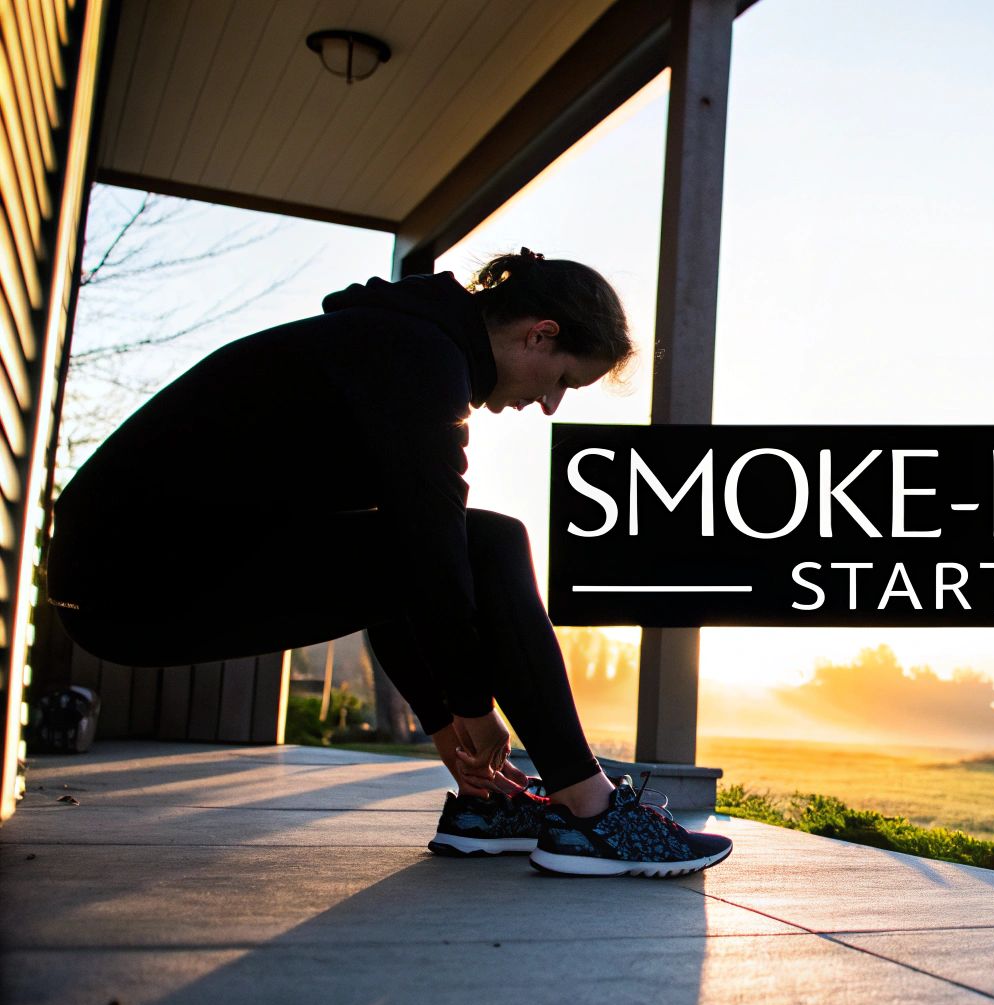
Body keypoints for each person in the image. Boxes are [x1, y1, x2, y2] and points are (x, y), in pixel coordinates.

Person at [44, 248, 731, 877]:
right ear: (539, 334)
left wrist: (448, 729)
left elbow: (398, 564)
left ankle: (485, 800)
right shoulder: (419, 359)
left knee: (456, 542)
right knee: (488, 545)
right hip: (133, 582)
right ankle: (592, 811)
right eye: (561, 382)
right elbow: (432, 563)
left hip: (127, 575)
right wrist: (472, 707)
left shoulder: (402, 342)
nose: (549, 405)